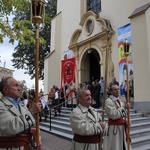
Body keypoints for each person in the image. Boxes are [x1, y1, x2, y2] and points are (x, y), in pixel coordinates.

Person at [0, 77, 42, 150]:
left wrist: (37, 141)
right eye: (16, 85)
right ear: (6, 89)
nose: (19, 88)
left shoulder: (22, 105)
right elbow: (11, 127)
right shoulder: (1, 105)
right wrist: (31, 112)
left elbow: (33, 126)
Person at [103, 84, 132, 150]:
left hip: (122, 129)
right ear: (111, 91)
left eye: (118, 89)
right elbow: (114, 115)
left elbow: (125, 114)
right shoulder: (108, 101)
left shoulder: (120, 101)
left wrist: (128, 120)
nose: (117, 91)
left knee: (124, 146)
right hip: (114, 129)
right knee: (116, 146)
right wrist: (124, 108)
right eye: (115, 89)